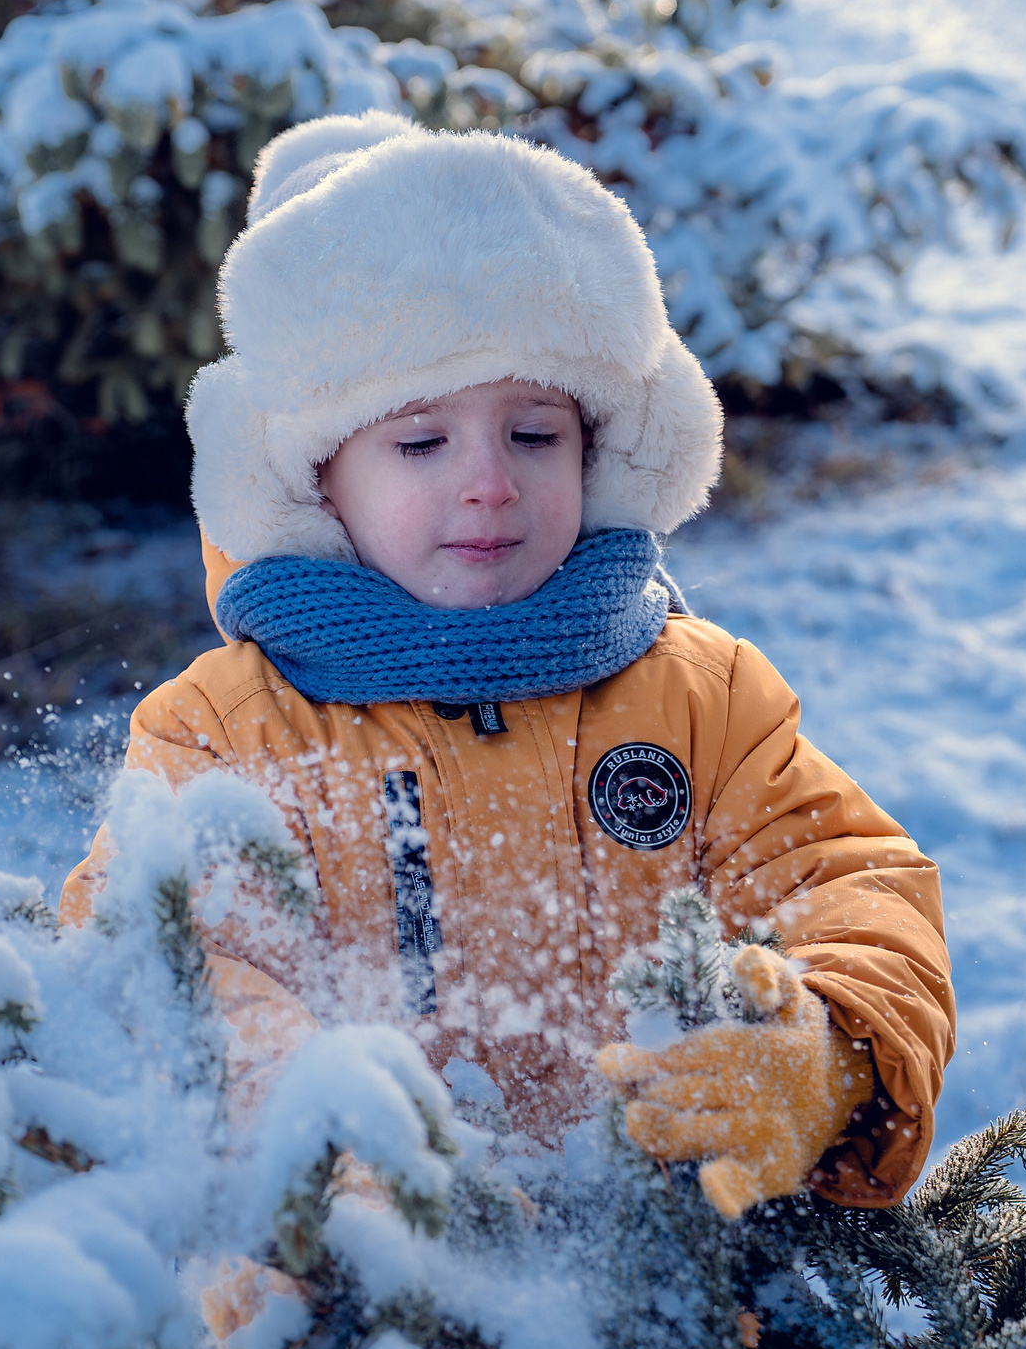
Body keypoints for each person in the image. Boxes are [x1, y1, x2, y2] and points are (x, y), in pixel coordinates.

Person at [59, 111, 953, 1217]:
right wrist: (322, 1129)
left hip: (695, 1284)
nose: (490, 482)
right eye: (422, 442)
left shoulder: (698, 699)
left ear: (599, 450)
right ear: (317, 482)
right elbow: (168, 958)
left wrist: (827, 1051)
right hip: (366, 1295)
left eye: (535, 434)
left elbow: (852, 881)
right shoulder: (229, 730)